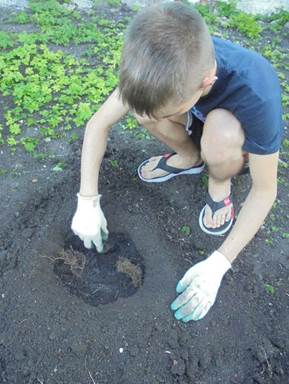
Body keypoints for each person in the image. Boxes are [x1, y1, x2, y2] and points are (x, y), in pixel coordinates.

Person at [71, 2, 283, 322]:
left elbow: (265, 190)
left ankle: (218, 186)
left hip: (231, 144)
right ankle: (189, 157)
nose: (164, 119)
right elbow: (97, 125)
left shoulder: (256, 89)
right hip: (197, 119)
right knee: (145, 110)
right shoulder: (155, 66)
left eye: (170, 110)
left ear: (207, 83)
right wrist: (87, 200)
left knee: (220, 131)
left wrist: (219, 263)